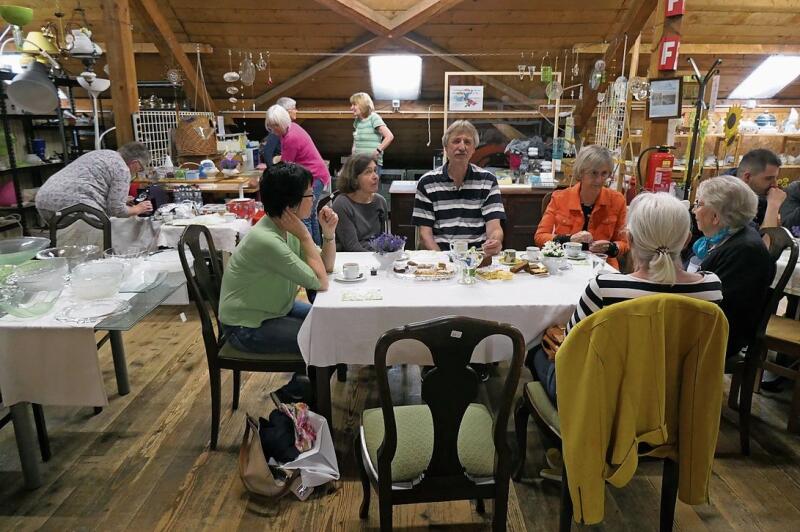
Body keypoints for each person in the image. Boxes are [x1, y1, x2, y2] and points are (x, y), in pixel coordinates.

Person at [531, 192, 723, 405]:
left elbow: (570, 351)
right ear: (687, 239)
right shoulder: (711, 288)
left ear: (629, 239)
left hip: (608, 403)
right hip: (678, 400)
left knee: (536, 350)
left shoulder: (605, 288)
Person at [219, 162, 338, 398]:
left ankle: (303, 391)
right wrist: (305, 235)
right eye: (310, 194)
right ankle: (292, 396)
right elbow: (321, 281)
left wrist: (328, 234)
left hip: (275, 308)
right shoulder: (268, 239)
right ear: (290, 202)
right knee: (326, 340)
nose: (314, 199)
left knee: (334, 326)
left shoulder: (284, 227)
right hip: (246, 326)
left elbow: (326, 266)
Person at [690, 175, 775, 359]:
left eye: (699, 204)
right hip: (708, 325)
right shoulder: (727, 238)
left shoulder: (745, 251)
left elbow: (718, 307)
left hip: (719, 338)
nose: (694, 210)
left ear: (716, 216)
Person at [412, 120, 505, 257]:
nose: (462, 147)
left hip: (477, 258)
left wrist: (495, 241)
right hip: (441, 257)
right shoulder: (427, 182)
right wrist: (443, 262)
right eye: (456, 141)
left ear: (474, 149)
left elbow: (495, 228)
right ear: (445, 147)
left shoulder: (488, 181)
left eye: (467, 142)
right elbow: (425, 236)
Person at [35, 142, 153, 246]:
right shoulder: (122, 169)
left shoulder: (102, 154)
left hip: (44, 199)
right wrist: (138, 209)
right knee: (90, 248)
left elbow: (91, 182)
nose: (139, 172)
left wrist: (121, 199)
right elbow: (117, 210)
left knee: (65, 244)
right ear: (135, 163)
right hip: (75, 203)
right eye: (141, 168)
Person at [534, 144, 628, 269]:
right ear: (581, 172)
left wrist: (612, 247)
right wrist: (569, 239)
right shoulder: (560, 198)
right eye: (594, 173)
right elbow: (540, 237)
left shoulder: (617, 200)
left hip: (602, 266)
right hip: (564, 265)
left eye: (604, 174)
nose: (599, 180)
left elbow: (624, 243)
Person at [266, 104, 330, 244]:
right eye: (270, 126)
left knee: (304, 215)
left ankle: (309, 252)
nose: (273, 130)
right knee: (311, 214)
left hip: (314, 175)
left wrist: (274, 164)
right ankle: (317, 249)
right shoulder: (291, 128)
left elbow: (285, 168)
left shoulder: (290, 138)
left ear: (283, 121)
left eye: (275, 125)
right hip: (315, 173)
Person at [331, 154, 388, 251]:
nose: (375, 177)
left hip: (377, 257)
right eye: (368, 172)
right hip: (352, 260)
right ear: (354, 178)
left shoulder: (380, 201)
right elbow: (351, 247)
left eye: (375, 171)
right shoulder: (342, 204)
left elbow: (383, 239)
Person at [736, 148, 785, 228]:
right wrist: (773, 206)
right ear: (747, 177)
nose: (775, 184)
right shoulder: (727, 200)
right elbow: (765, 240)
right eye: (769, 178)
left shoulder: (759, 195)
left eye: (776, 178)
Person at [350, 92, 394, 174]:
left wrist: (377, 151)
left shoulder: (374, 118)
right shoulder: (357, 121)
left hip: (372, 163)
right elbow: (355, 142)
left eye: (354, 104)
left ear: (362, 104)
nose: (351, 107)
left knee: (369, 186)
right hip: (358, 164)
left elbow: (389, 136)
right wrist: (352, 159)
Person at [259, 97, 296, 168]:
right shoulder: (278, 130)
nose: (296, 111)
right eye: (294, 108)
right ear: (286, 112)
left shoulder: (290, 128)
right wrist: (272, 171)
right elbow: (267, 153)